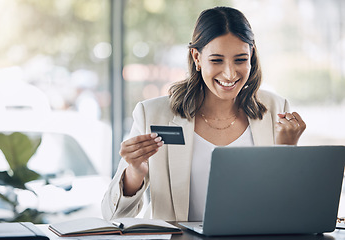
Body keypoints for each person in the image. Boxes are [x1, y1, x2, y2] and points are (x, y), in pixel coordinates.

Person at [102, 6, 306, 222]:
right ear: (197, 58)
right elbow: (112, 216)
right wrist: (135, 173)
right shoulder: (153, 115)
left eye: (240, 59)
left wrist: (287, 151)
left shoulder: (275, 110)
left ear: (252, 56)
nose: (230, 73)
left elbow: (289, 212)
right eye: (216, 60)